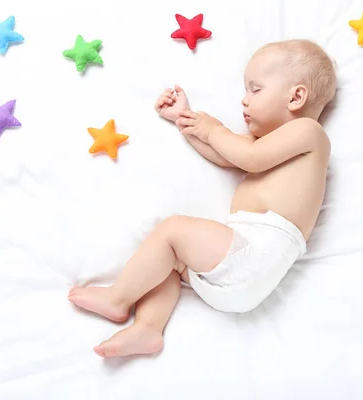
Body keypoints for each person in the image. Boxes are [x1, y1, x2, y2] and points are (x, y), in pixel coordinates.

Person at [68, 39, 337, 358]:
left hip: (255, 254)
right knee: (165, 261)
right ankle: (148, 327)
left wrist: (212, 130)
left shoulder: (309, 133)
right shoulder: (266, 143)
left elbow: (247, 157)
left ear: (296, 96)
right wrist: (186, 121)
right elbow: (230, 156)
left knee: (171, 231)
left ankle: (118, 299)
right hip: (239, 269)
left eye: (256, 89)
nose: (244, 100)